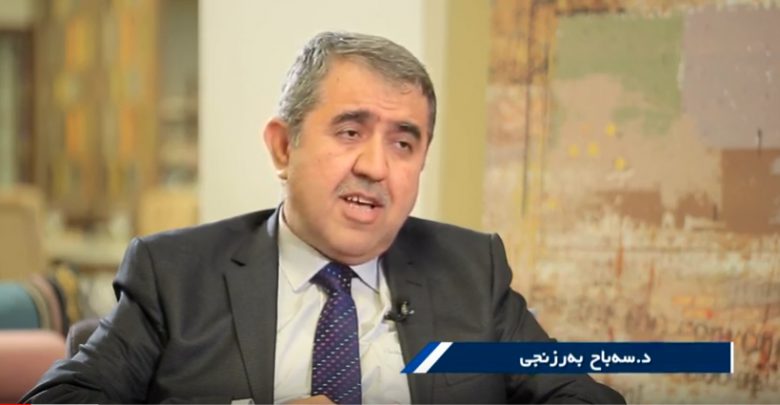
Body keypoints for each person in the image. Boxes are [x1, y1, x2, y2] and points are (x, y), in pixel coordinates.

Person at [22, 31, 625, 404]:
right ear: (284, 148)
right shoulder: (176, 275)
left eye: (403, 143)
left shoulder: (471, 271)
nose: (376, 167)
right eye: (350, 131)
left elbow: (581, 396)